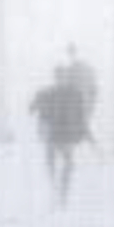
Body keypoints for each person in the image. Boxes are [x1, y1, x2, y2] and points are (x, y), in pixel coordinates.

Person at [28, 65, 89, 209]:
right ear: (58, 77)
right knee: (62, 163)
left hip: (57, 133)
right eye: (61, 76)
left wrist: (83, 131)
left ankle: (58, 192)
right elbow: (32, 108)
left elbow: (31, 108)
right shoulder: (72, 92)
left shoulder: (51, 92)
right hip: (58, 133)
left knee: (60, 163)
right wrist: (83, 132)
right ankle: (59, 192)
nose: (62, 79)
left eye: (62, 76)